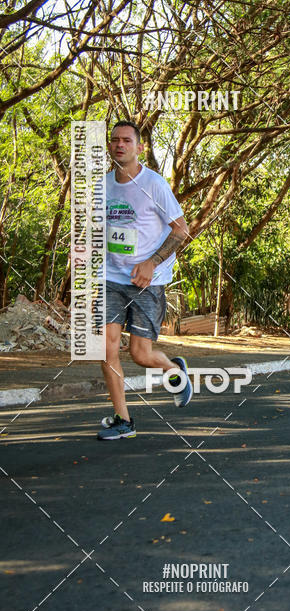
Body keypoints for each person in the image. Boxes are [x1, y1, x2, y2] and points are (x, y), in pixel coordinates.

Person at [96, 120, 193, 440]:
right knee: (106, 349)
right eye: (114, 140)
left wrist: (151, 262)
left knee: (140, 354)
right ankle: (123, 420)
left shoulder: (154, 185)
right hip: (111, 277)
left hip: (148, 281)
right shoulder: (102, 186)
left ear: (139, 148)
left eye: (126, 140)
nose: (119, 145)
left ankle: (174, 370)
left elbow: (182, 230)